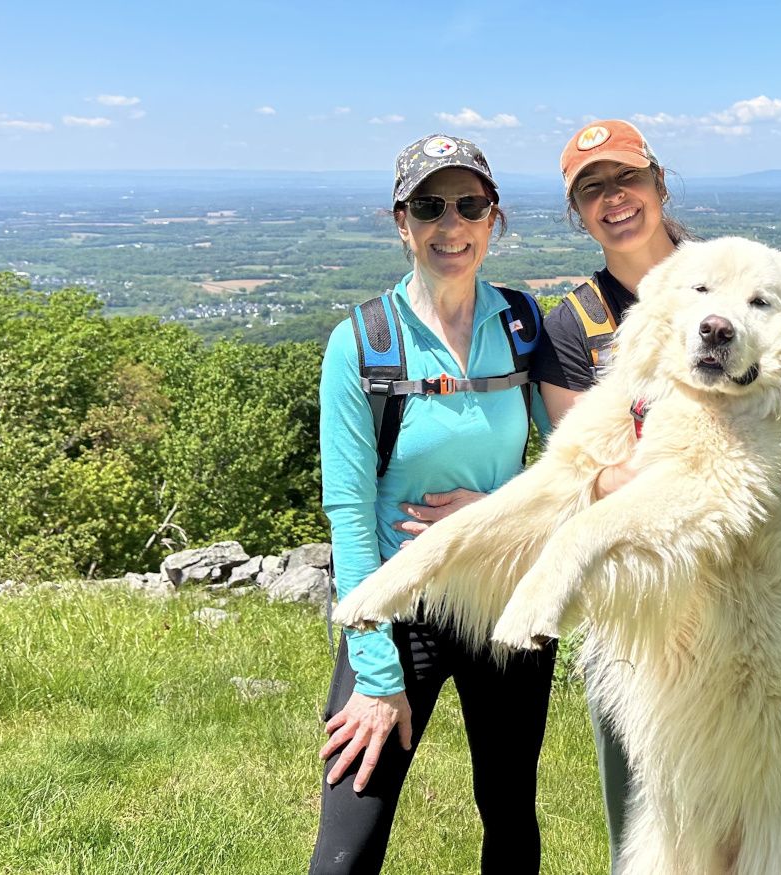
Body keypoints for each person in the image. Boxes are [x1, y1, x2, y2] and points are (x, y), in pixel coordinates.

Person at [529, 119, 781, 873]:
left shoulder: (745, 279)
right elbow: (592, 474)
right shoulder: (574, 324)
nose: (614, 200)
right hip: (651, 618)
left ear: (659, 184)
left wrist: (719, 492)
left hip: (762, 605)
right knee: (658, 826)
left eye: (627, 180)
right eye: (592, 190)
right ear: (577, 211)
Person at [309, 133, 556, 875]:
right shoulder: (363, 344)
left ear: (494, 218)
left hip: (504, 601)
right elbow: (349, 516)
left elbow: (578, 470)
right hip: (398, 603)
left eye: (469, 204)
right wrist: (377, 676)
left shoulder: (522, 325)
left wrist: (491, 513)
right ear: (401, 221)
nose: (452, 224)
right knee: (347, 844)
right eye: (429, 205)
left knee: (510, 816)